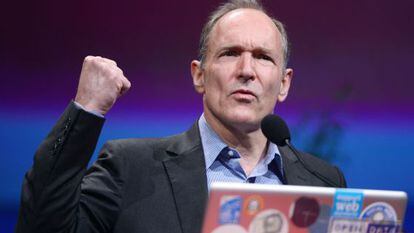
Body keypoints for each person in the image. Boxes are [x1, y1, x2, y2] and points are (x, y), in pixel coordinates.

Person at [15, 1, 346, 233]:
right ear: (198, 75)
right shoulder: (130, 168)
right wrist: (86, 109)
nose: (246, 71)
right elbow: (42, 227)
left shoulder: (323, 182)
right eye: (230, 53)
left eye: (262, 57)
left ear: (284, 83)